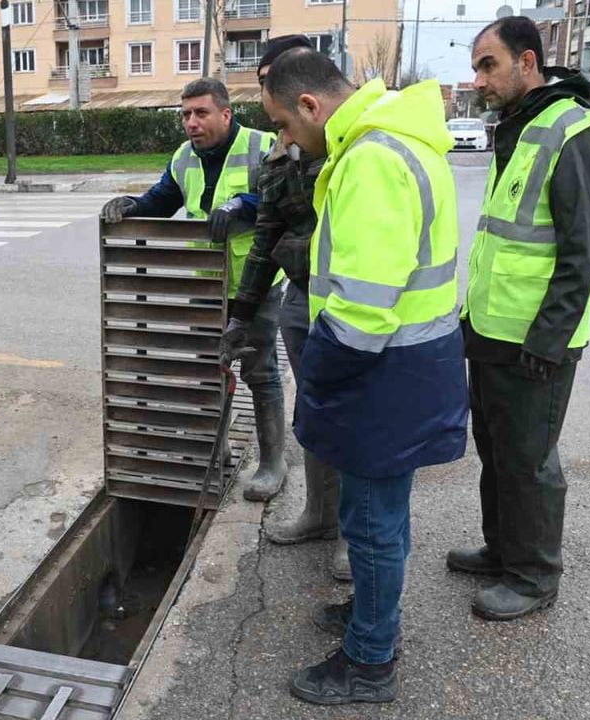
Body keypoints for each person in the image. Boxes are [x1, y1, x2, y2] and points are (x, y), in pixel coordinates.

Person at [261, 47, 468, 704]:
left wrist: (316, 381)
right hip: (406, 365)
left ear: (311, 105)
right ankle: (373, 619)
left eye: (286, 126)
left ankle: (370, 662)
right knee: (375, 512)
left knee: (374, 521)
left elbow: (362, 310)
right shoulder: (394, 137)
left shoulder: (374, 159)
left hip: (383, 371)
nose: (286, 141)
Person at [448, 17, 590, 621]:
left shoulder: (569, 129)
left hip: (536, 340)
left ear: (527, 62)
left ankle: (534, 574)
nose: (479, 79)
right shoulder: (516, 127)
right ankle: (502, 550)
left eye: (488, 65)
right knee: (494, 447)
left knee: (529, 459)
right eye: (476, 67)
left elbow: (581, 249)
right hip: (493, 330)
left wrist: (550, 337)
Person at [100, 78, 287, 502]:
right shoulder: (184, 156)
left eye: (200, 113)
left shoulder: (262, 145)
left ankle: (272, 463)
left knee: (260, 373)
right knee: (208, 370)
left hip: (254, 285)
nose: (191, 123)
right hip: (205, 283)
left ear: (225, 113)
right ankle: (215, 450)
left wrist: (243, 204)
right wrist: (131, 205)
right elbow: (162, 199)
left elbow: (286, 199)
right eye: (185, 114)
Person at [222, 35, 350, 581]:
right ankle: (320, 514)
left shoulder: (350, 145)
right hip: (301, 295)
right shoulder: (280, 151)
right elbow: (268, 233)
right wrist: (241, 313)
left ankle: (353, 533)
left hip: (349, 297)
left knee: (350, 420)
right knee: (316, 413)